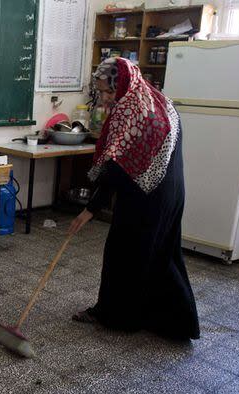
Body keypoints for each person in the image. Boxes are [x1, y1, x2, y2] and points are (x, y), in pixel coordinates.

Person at [68, 57, 199, 341]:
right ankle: (175, 322)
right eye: (100, 91)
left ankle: (116, 316)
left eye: (108, 92)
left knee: (122, 254)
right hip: (170, 191)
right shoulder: (159, 101)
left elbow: (118, 169)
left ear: (123, 84)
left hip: (146, 196)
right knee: (160, 252)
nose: (104, 98)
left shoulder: (133, 112)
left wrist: (89, 210)